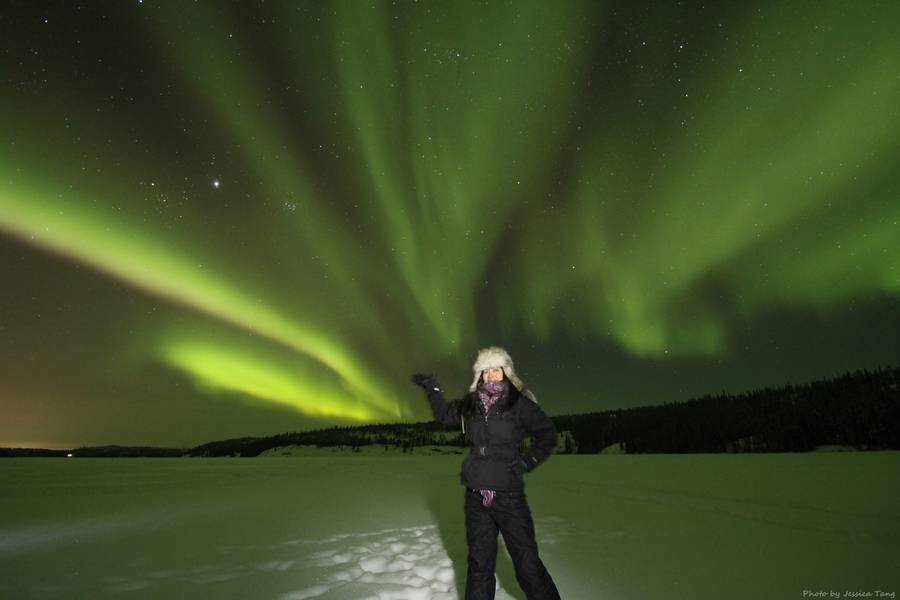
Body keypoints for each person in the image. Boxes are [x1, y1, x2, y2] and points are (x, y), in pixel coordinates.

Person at [411, 345, 561, 600]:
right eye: (486, 371)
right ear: (479, 375)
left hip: (508, 495)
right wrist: (432, 388)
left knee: (527, 566)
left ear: (506, 372)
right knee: (479, 567)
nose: (491, 376)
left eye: (496, 370)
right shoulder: (471, 405)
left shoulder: (520, 404)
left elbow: (548, 435)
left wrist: (527, 462)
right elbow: (445, 414)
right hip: (477, 495)